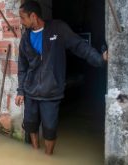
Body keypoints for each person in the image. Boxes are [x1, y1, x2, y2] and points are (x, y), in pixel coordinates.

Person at [15, 1, 108, 155]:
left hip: (51, 91)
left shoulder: (58, 29)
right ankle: (35, 151)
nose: (21, 21)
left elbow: (79, 46)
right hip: (30, 91)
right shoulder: (25, 38)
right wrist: (20, 91)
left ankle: (47, 157)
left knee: (50, 129)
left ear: (33, 16)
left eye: (22, 18)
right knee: (30, 124)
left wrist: (100, 59)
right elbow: (22, 67)